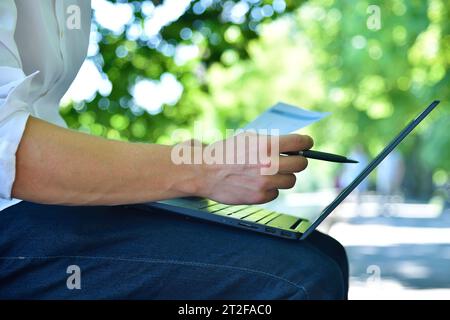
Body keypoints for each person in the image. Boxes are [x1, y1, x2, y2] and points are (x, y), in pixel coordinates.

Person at [0, 0, 348, 299]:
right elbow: (8, 147)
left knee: (324, 252)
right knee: (299, 278)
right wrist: (203, 169)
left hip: (42, 206)